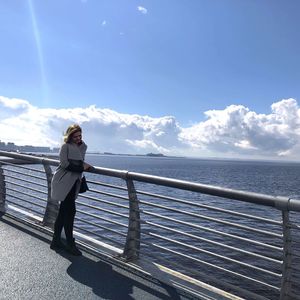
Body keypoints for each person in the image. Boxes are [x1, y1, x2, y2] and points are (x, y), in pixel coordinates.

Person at [50, 124, 92, 256]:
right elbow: (65, 164)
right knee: (70, 212)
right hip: (63, 181)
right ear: (69, 136)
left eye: (80, 136)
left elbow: (80, 162)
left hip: (74, 182)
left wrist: (82, 166)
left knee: (63, 212)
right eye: (75, 136)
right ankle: (70, 243)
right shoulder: (65, 146)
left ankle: (56, 240)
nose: (78, 138)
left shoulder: (83, 146)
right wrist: (82, 168)